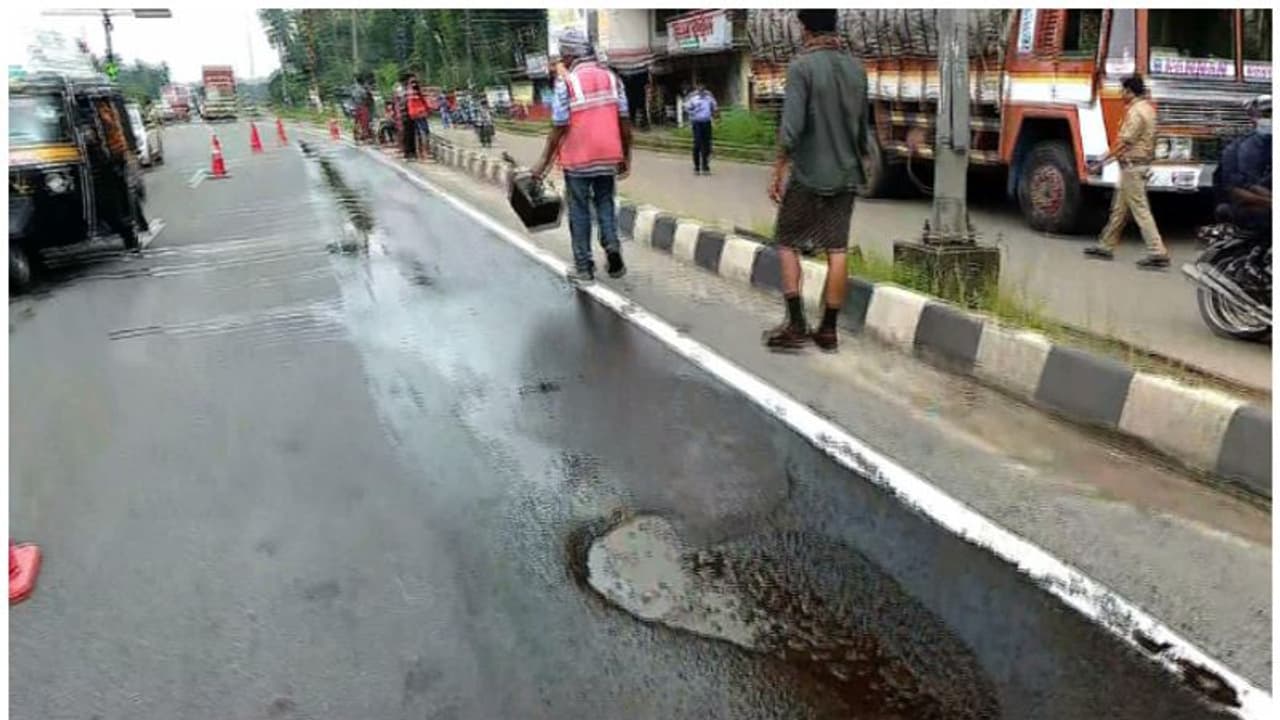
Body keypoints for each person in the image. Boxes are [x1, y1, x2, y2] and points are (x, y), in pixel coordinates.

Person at [762, 9, 869, 352]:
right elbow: (863, 129)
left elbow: (791, 129)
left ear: (804, 29)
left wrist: (778, 169)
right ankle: (829, 329)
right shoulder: (856, 69)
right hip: (847, 172)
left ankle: (796, 323)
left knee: (786, 240)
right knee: (836, 248)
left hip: (809, 174)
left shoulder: (801, 67)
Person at [532, 28, 633, 283]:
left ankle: (584, 267)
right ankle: (611, 246)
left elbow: (559, 127)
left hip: (578, 159)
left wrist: (543, 163)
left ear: (568, 56)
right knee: (605, 203)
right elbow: (625, 124)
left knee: (579, 210)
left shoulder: (567, 83)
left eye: (561, 56)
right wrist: (625, 157)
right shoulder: (612, 78)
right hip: (608, 156)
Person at [1085, 75, 1169, 269]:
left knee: (1140, 210)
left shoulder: (1135, 112)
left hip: (1132, 166)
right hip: (1136, 165)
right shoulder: (1148, 109)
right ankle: (1105, 245)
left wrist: (1100, 162)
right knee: (1119, 210)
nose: (1121, 94)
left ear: (1130, 91)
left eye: (1122, 90)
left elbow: (1124, 143)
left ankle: (1157, 252)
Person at [90, 98, 146, 252]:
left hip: (111, 160)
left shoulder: (104, 111)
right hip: (105, 158)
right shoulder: (102, 110)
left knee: (116, 199)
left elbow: (109, 133)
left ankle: (130, 236)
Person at [1217, 95, 1272, 238]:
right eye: (1267, 114)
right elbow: (1236, 189)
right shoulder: (1238, 148)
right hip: (1251, 210)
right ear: (1254, 117)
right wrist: (1269, 202)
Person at [685, 82, 718, 175]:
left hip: (707, 122)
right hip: (697, 122)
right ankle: (696, 167)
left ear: (705, 87)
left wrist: (716, 118)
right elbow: (687, 108)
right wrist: (693, 111)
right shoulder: (693, 97)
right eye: (699, 86)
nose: (701, 88)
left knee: (707, 145)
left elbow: (714, 108)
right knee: (697, 144)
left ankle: (705, 166)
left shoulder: (709, 97)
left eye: (702, 86)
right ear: (697, 87)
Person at [406, 74, 431, 161]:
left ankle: (421, 153)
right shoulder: (417, 91)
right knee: (424, 133)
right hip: (420, 114)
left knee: (418, 133)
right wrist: (427, 110)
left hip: (413, 114)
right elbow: (424, 102)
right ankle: (425, 153)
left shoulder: (408, 92)